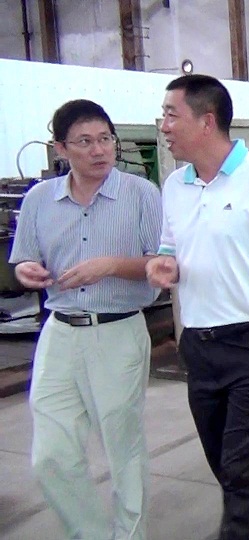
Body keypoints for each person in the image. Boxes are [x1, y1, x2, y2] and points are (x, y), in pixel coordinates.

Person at [147, 74, 249, 539]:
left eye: (172, 115)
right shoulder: (175, 185)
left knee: (242, 478)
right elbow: (170, 248)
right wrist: (163, 264)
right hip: (199, 346)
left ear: (206, 121)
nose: (163, 126)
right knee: (233, 470)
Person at [10, 99, 160, 540]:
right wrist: (26, 272)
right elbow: (22, 260)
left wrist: (111, 265)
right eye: (84, 142)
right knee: (51, 455)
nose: (99, 150)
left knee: (123, 448)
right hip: (59, 331)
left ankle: (130, 534)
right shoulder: (40, 199)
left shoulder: (141, 194)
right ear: (61, 148)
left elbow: (162, 265)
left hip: (117, 331)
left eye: (105, 139)